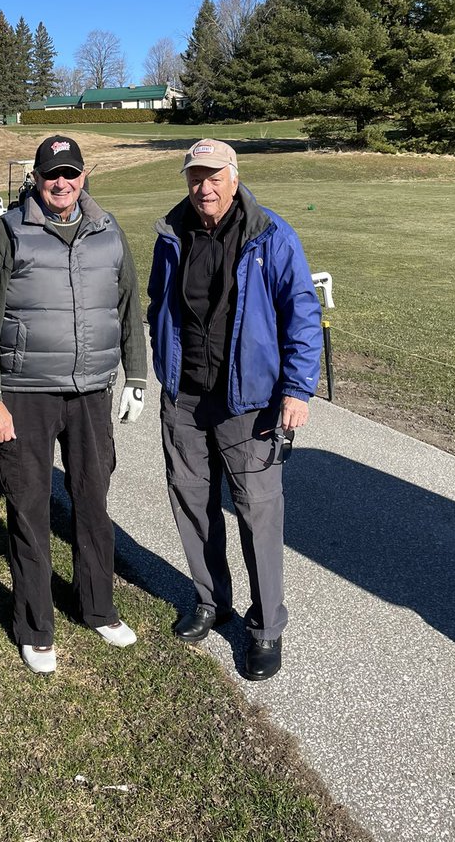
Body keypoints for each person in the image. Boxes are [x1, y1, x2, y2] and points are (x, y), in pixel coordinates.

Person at [0, 134, 147, 675]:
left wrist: (135, 375)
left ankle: (97, 607)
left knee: (93, 503)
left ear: (84, 175)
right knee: (30, 508)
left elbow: (128, 306)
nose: (61, 183)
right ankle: (35, 626)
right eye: (51, 174)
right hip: (26, 392)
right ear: (37, 179)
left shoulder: (108, 231)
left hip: (90, 391)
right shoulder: (8, 232)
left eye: (70, 173)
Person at [147, 140, 322, 681]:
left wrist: (297, 390)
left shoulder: (271, 235)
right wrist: (162, 362)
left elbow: (302, 314)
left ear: (233, 176)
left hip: (250, 403)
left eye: (213, 176)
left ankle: (266, 625)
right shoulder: (171, 234)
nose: (204, 187)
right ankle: (210, 600)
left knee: (257, 513)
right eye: (195, 177)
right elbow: (158, 302)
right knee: (192, 501)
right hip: (187, 397)